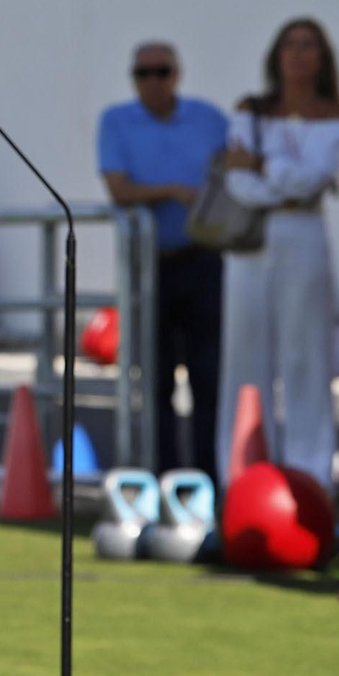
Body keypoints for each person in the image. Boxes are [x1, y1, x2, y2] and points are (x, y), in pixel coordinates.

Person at [215, 18, 339, 493]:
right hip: (252, 241)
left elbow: (313, 179)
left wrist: (261, 165)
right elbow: (237, 182)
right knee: (244, 358)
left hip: (304, 231)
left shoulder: (333, 116)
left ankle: (311, 477)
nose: (298, 55)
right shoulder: (251, 110)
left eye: (308, 45)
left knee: (306, 356)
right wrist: (276, 176)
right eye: (290, 45)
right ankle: (240, 475)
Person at [97, 41, 229, 478]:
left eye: (161, 71)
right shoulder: (117, 122)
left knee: (208, 377)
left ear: (177, 73)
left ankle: (210, 477)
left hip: (204, 260)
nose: (153, 81)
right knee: (155, 379)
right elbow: (119, 189)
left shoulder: (209, 120)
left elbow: (233, 176)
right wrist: (172, 190)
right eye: (143, 73)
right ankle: (167, 476)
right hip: (149, 266)